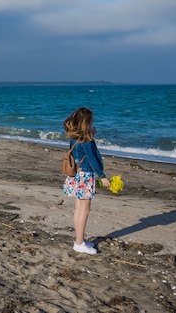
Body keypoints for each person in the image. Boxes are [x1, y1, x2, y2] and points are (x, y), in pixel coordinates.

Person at [62, 107, 110, 255]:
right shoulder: (87, 141)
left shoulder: (74, 138)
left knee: (78, 208)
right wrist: (102, 176)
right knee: (85, 210)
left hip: (76, 176)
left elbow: (80, 152)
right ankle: (79, 243)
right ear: (86, 123)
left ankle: (79, 239)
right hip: (85, 177)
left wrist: (91, 136)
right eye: (90, 122)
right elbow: (92, 160)